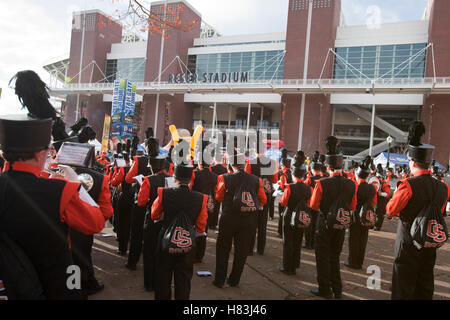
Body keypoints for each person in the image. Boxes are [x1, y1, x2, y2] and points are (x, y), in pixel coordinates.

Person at [0, 70, 110, 300]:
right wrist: (75, 185)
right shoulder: (62, 191)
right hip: (56, 283)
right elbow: (97, 222)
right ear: (42, 153)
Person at [386, 121, 450, 300]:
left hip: (408, 240)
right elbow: (441, 209)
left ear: (413, 161)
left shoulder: (407, 185)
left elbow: (390, 209)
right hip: (430, 239)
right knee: (425, 281)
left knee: (403, 283)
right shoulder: (443, 187)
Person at [150, 143, 208, 300]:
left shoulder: (164, 193)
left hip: (165, 241)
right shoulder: (201, 198)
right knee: (183, 280)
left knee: (163, 277)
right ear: (190, 179)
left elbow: (154, 215)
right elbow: (201, 226)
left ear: (174, 178)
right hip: (187, 243)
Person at [310, 136, 357, 299]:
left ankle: (324, 289)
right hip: (341, 223)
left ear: (327, 166)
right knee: (335, 257)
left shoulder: (321, 183)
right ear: (341, 165)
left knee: (322, 257)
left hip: (324, 224)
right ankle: (337, 289)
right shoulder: (352, 184)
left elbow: (314, 206)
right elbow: (352, 206)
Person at [69, 128, 114, 298]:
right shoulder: (100, 178)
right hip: (85, 227)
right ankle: (84, 286)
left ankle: (72, 287)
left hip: (60, 227)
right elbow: (107, 211)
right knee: (83, 256)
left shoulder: (54, 174)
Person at [213, 149, 267, 288]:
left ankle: (219, 280)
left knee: (223, 248)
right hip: (248, 219)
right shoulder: (256, 180)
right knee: (241, 250)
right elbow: (262, 200)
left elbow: (219, 197)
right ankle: (234, 280)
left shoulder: (224, 177)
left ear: (231, 165)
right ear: (245, 164)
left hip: (229, 217)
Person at [279, 151, 312, 275]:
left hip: (289, 215)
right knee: (298, 241)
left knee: (288, 241)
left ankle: (287, 266)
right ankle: (295, 264)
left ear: (293, 174)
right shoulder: (309, 188)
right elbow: (309, 203)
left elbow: (283, 202)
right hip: (301, 216)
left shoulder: (289, 187)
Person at [245, 133, 278, 256]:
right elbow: (274, 180)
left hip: (253, 195)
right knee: (263, 223)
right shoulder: (273, 162)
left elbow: (247, 178)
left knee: (251, 222)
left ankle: (249, 249)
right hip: (267, 194)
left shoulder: (250, 162)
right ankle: (261, 249)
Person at [125, 132, 154, 270]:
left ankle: (132, 262)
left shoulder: (139, 160)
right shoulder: (167, 162)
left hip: (140, 199)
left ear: (146, 148)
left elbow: (128, 179)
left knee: (136, 231)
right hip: (156, 202)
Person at [346, 156, 377, 270]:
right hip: (366, 215)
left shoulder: (354, 186)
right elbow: (374, 203)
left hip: (355, 215)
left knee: (353, 239)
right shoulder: (372, 188)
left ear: (357, 174)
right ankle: (359, 262)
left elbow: (351, 203)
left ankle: (352, 262)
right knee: (363, 239)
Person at [191, 141, 218, 263]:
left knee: (192, 228)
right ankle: (200, 255)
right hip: (207, 204)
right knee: (203, 230)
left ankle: (192, 251)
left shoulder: (195, 174)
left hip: (195, 202)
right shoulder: (214, 176)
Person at [110, 140, 134, 256]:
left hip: (124, 197)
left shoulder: (123, 169)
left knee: (122, 222)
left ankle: (122, 248)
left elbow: (114, 183)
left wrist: (114, 171)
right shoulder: (142, 168)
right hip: (136, 198)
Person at [303, 151, 324, 250]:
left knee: (308, 224)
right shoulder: (324, 179)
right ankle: (314, 242)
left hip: (309, 204)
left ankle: (308, 243)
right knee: (316, 225)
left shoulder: (309, 179)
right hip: (319, 205)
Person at [209, 155, 228, 230]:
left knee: (211, 206)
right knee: (217, 207)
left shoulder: (211, 168)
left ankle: (210, 223)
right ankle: (215, 223)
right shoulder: (225, 169)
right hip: (221, 188)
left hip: (212, 188)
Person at [374, 164, 391, 231]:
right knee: (375, 213)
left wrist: (381, 194)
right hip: (376, 200)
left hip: (381, 201)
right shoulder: (375, 181)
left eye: (379, 177)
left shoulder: (385, 184)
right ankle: (373, 224)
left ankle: (377, 226)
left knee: (380, 214)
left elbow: (388, 194)